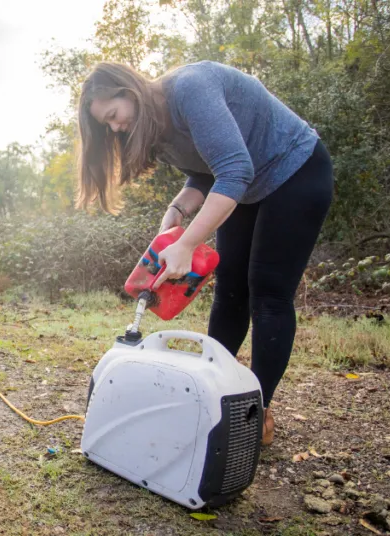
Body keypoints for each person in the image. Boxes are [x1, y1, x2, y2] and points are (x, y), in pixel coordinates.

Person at [77, 60, 334, 446]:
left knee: (267, 292)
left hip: (295, 169)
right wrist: (177, 214)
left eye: (113, 116)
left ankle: (254, 415)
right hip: (245, 183)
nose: (115, 128)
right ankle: (216, 397)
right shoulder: (153, 127)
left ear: (129, 92)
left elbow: (233, 169)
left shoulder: (191, 89)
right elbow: (204, 171)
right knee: (230, 290)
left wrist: (188, 244)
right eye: (106, 125)